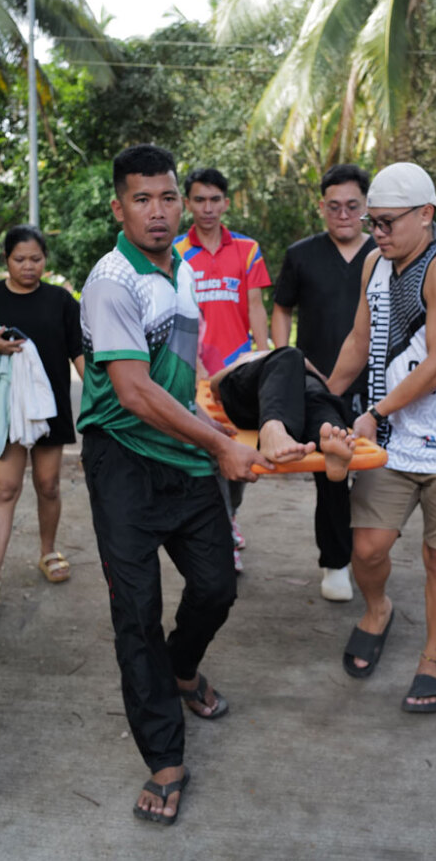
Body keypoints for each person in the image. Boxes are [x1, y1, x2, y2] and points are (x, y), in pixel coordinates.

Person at [78, 144, 270, 825]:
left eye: (167, 198)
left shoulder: (185, 270)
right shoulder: (111, 281)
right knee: (136, 610)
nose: (157, 212)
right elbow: (132, 391)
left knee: (218, 584)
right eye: (142, 199)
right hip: (124, 458)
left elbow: (182, 378)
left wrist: (229, 422)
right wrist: (220, 445)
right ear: (118, 207)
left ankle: (181, 669)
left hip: (183, 451)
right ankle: (164, 757)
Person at [326, 161, 436, 715]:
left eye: (388, 222)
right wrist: (321, 400)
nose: (377, 233)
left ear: (426, 215)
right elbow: (358, 340)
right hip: (392, 438)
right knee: (366, 548)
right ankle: (377, 610)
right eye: (373, 221)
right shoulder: (376, 262)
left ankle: (433, 661)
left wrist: (373, 411)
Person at [0, 225, 85, 600]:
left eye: (36, 259)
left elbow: (78, 353)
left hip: (50, 408)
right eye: (20, 260)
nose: (28, 267)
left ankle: (47, 551)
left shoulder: (61, 300)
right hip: (4, 409)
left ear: (45, 259)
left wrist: (97, 397)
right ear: (6, 260)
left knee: (48, 484)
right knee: (4, 488)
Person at [270, 164, 377, 601]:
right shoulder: (302, 254)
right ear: (321, 208)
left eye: (353, 206)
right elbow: (281, 308)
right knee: (331, 474)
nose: (344, 214)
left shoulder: (386, 253)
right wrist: (284, 363)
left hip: (379, 385)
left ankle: (370, 555)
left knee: (374, 476)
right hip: (320, 386)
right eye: (334, 206)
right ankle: (335, 562)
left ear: (367, 207)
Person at [173, 167, 272, 571]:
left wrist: (263, 356)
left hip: (238, 373)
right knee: (205, 455)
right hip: (193, 372)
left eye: (215, 200)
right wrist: (191, 364)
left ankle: (228, 518)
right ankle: (219, 532)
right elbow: (177, 312)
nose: (207, 208)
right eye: (199, 200)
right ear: (187, 204)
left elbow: (255, 306)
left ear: (226, 203)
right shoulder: (177, 250)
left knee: (238, 454)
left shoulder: (247, 249)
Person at [209, 346, 357, 481]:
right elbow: (215, 385)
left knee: (315, 393)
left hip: (293, 400)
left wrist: (308, 370)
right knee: (290, 355)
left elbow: (319, 379)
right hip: (250, 400)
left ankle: (330, 437)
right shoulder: (247, 359)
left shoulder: (291, 361)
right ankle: (272, 429)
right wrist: (241, 363)